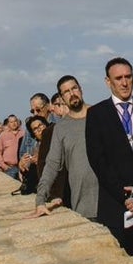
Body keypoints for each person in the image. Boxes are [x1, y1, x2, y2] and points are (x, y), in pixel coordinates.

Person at [86, 57, 133, 258]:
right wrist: (125, 197)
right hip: (115, 204)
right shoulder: (96, 114)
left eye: (128, 77)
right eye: (118, 78)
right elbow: (97, 160)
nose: (124, 82)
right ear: (108, 81)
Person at [34, 75, 98, 220]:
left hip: (113, 203)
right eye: (66, 91)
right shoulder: (61, 128)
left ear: (81, 89)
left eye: (74, 88)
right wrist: (40, 200)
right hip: (84, 206)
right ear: (62, 98)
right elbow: (52, 164)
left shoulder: (101, 114)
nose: (72, 93)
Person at [0, 114, 24, 179]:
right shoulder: (3, 135)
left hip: (22, 167)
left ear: (18, 122)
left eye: (15, 121)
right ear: (8, 124)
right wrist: (4, 166)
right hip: (9, 168)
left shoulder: (23, 134)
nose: (14, 123)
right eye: (11, 122)